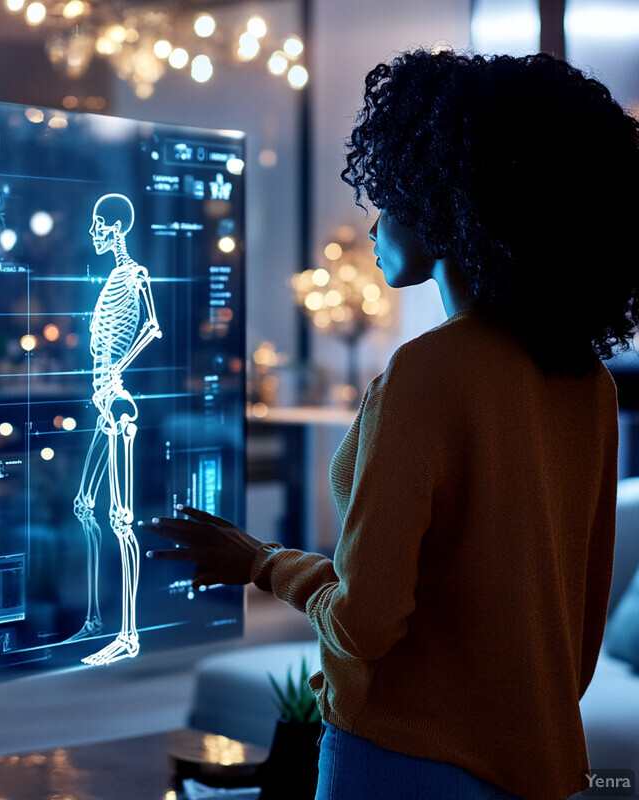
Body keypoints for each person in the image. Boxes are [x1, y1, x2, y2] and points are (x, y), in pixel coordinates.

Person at [144, 49, 639, 800]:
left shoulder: (428, 373)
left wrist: (261, 562)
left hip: (401, 763)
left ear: (448, 202)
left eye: (393, 197)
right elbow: (574, 633)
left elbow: (367, 623)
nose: (374, 225)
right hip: (544, 767)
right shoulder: (587, 382)